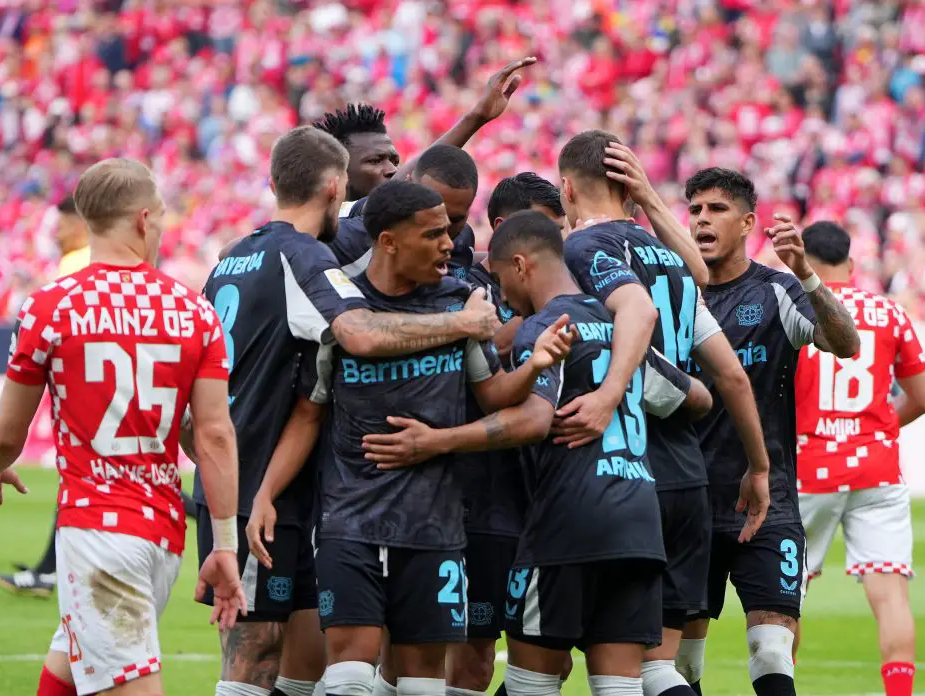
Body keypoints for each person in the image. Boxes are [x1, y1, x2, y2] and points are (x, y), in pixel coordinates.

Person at [188, 128, 502, 696]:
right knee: (256, 653)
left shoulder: (231, 258)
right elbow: (358, 333)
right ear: (335, 188)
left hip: (279, 480)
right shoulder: (303, 254)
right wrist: (462, 323)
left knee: (304, 658)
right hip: (258, 481)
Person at [361, 211, 711, 696]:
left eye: (501, 280)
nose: (503, 298)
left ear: (521, 265)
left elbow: (533, 420)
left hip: (569, 522)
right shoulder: (617, 329)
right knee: (620, 685)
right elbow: (699, 398)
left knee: (532, 684)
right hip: (638, 521)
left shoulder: (545, 328)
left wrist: (435, 441)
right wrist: (612, 394)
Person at [0, 157, 247, 696]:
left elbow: (7, 431)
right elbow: (213, 436)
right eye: (162, 216)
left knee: (117, 678)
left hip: (96, 530)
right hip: (162, 532)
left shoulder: (49, 306)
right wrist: (223, 543)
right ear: (144, 220)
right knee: (69, 659)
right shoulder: (194, 312)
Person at [304, 180, 570, 696]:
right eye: (433, 235)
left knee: (423, 685)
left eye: (448, 231)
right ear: (388, 242)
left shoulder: (457, 297)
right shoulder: (343, 297)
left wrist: (534, 366)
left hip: (434, 525)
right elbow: (311, 407)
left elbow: (493, 394)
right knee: (349, 677)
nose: (450, 244)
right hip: (349, 518)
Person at [555, 132, 773, 696]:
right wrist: (760, 467)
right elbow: (732, 375)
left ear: (567, 189)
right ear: (631, 189)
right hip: (687, 475)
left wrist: (609, 394)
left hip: (621, 466)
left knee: (556, 663)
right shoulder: (673, 262)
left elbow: (638, 314)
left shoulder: (583, 251)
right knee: (657, 667)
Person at [682, 168, 860, 696]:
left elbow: (845, 344)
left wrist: (804, 272)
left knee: (772, 649)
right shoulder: (675, 295)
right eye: (695, 210)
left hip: (768, 504)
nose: (702, 220)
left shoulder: (777, 290)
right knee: (683, 663)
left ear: (747, 223)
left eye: (716, 209)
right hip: (688, 501)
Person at [794, 221, 925, 696]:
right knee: (890, 594)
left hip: (809, 466)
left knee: (784, 595)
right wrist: (873, 431)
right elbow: (921, 399)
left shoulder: (794, 308)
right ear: (850, 264)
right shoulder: (889, 312)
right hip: (877, 466)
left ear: (804, 262)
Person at [0, 195, 89, 599]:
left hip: (86, 389)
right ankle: (49, 569)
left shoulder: (77, 263)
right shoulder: (106, 261)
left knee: (83, 474)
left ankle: (49, 571)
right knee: (86, 476)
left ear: (81, 224)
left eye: (62, 225)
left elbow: (59, 326)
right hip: (106, 385)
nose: (57, 234)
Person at [315, 57, 536, 219]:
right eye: (374, 161)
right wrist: (475, 118)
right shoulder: (331, 221)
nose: (392, 169)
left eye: (395, 161)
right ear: (339, 173)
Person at [330, 144, 480, 279]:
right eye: (428, 211)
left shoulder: (463, 242)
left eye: (454, 220)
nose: (443, 231)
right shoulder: (353, 238)